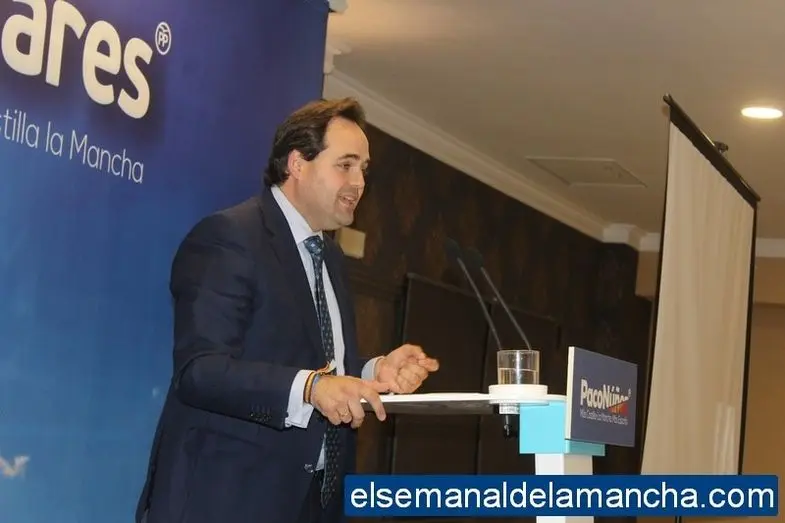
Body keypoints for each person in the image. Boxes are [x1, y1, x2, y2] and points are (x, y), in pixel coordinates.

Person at [135, 97, 439, 523]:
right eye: (345, 165)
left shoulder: (329, 256)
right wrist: (312, 388)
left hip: (313, 502)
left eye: (364, 169)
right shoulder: (230, 237)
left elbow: (320, 364)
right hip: (226, 501)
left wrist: (375, 371)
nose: (359, 183)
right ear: (297, 164)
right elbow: (200, 371)